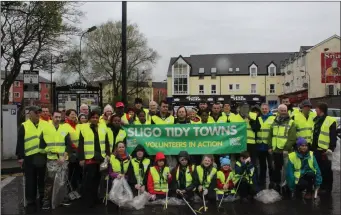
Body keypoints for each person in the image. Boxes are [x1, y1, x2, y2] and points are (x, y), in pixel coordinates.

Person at [16, 106, 47, 212]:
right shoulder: (24, 125)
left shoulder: (45, 124)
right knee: (30, 179)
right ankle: (31, 199)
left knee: (42, 178)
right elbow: (20, 142)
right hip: (29, 156)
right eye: (36, 113)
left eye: (39, 112)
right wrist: (20, 157)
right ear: (30, 114)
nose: (38, 114)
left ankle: (43, 197)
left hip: (41, 155)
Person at [40, 111, 73, 210]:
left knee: (62, 181)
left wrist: (63, 157)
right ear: (52, 117)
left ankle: (62, 199)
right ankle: (46, 201)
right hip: (52, 160)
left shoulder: (64, 129)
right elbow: (41, 146)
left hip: (63, 160)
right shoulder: (46, 129)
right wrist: (51, 151)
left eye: (59, 117)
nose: (58, 119)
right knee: (50, 181)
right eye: (56, 117)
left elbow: (69, 145)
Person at [78, 110, 111, 207]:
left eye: (97, 117)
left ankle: (95, 197)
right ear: (90, 118)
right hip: (89, 158)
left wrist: (108, 154)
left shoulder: (102, 127)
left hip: (100, 158)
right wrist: (81, 158)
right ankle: (89, 200)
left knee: (98, 179)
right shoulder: (84, 128)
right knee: (89, 180)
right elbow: (81, 144)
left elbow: (106, 142)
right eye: (93, 117)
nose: (95, 119)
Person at [268, 104, 296, 192]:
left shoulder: (291, 122)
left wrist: (286, 149)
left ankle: (286, 186)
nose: (283, 112)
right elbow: (270, 135)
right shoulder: (275, 122)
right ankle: (277, 185)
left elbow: (292, 138)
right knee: (276, 169)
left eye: (285, 110)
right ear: (278, 111)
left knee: (287, 170)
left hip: (285, 151)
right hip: (275, 150)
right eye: (281, 110)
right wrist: (269, 146)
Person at [311, 102, 337, 194]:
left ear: (321, 110)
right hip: (316, 150)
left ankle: (327, 188)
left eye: (317, 109)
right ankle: (321, 186)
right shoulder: (316, 120)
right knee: (319, 169)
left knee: (327, 170)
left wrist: (331, 148)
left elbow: (333, 136)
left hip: (325, 151)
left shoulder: (330, 120)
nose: (315, 111)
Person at [256, 103, 275, 189]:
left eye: (265, 109)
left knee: (271, 165)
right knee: (262, 165)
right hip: (260, 145)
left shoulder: (273, 118)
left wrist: (272, 145)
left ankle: (272, 181)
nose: (264, 110)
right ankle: (262, 181)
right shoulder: (258, 118)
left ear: (268, 109)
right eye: (262, 109)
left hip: (269, 146)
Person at [63, 109, 82, 195]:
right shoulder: (65, 126)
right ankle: (70, 190)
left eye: (75, 114)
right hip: (70, 152)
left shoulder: (78, 126)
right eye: (72, 114)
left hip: (79, 151)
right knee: (71, 172)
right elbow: (65, 141)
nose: (74, 116)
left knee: (78, 172)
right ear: (67, 116)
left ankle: (76, 189)